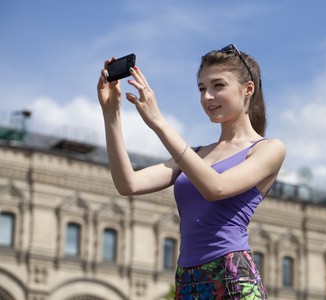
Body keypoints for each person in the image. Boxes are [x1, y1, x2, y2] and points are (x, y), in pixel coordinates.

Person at [97, 44, 286, 299]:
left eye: (218, 86)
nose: (207, 96)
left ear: (247, 89)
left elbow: (216, 188)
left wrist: (159, 123)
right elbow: (128, 184)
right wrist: (111, 113)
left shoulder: (269, 149)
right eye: (202, 89)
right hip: (187, 280)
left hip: (231, 275)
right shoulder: (195, 154)